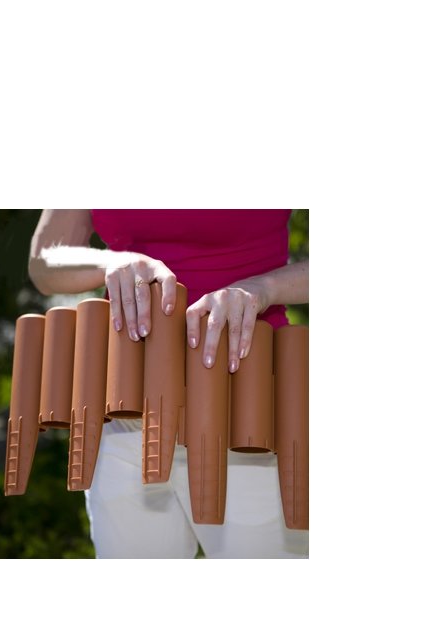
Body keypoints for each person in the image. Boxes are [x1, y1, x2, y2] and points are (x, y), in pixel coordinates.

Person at [28, 209, 308, 558]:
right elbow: (43, 261)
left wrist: (264, 288)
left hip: (248, 417)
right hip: (125, 415)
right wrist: (111, 262)